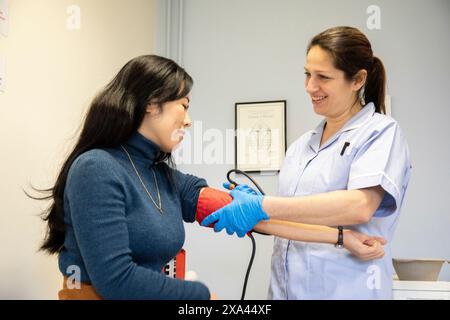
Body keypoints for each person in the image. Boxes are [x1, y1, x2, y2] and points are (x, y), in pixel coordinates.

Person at [34, 54, 387, 300]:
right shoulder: (96, 168)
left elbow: (253, 218)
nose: (188, 120)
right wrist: (202, 297)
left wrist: (341, 238)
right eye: (184, 106)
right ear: (150, 103)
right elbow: (115, 281)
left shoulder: (164, 177)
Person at [202, 26, 412, 300]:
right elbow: (296, 218)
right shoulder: (300, 147)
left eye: (323, 77)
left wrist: (264, 206)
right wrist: (256, 213)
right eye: (307, 74)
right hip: (284, 291)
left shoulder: (380, 132)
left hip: (346, 291)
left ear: (358, 79)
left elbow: (360, 206)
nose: (310, 86)